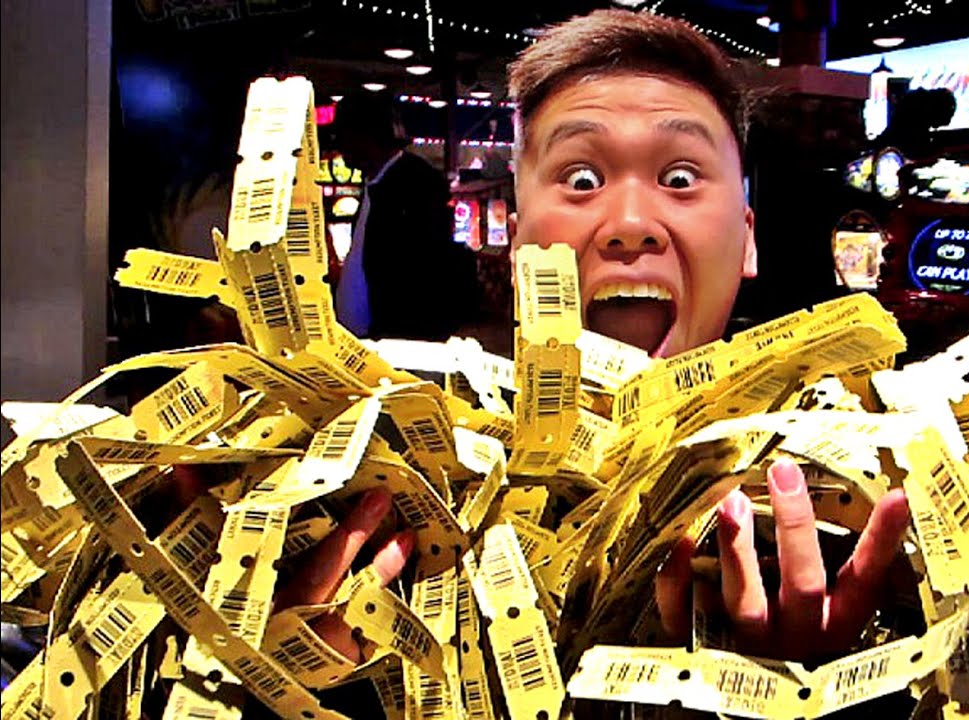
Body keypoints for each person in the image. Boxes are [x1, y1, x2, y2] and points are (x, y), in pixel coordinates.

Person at [292, 8, 910, 668]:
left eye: (679, 179)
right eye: (582, 180)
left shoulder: (859, 509)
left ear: (747, 239)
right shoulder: (392, 506)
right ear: (518, 244)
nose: (631, 223)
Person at [330, 91, 479, 340]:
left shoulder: (415, 184)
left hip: (399, 341)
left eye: (344, 136)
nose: (340, 146)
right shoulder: (375, 183)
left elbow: (422, 273)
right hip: (372, 339)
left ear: (368, 136)